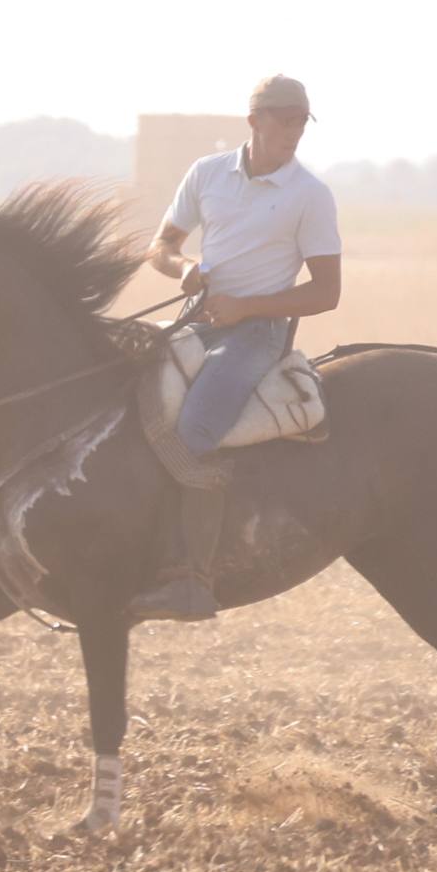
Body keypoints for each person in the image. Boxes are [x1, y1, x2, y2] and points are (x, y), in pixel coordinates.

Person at [131, 74, 344, 621]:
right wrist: (184, 269)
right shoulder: (206, 174)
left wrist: (246, 308)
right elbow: (161, 246)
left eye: (302, 121)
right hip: (198, 320)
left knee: (197, 430)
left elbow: (326, 292)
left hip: (258, 334)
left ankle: (193, 579)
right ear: (254, 122)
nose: (295, 132)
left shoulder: (310, 196)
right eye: (285, 120)